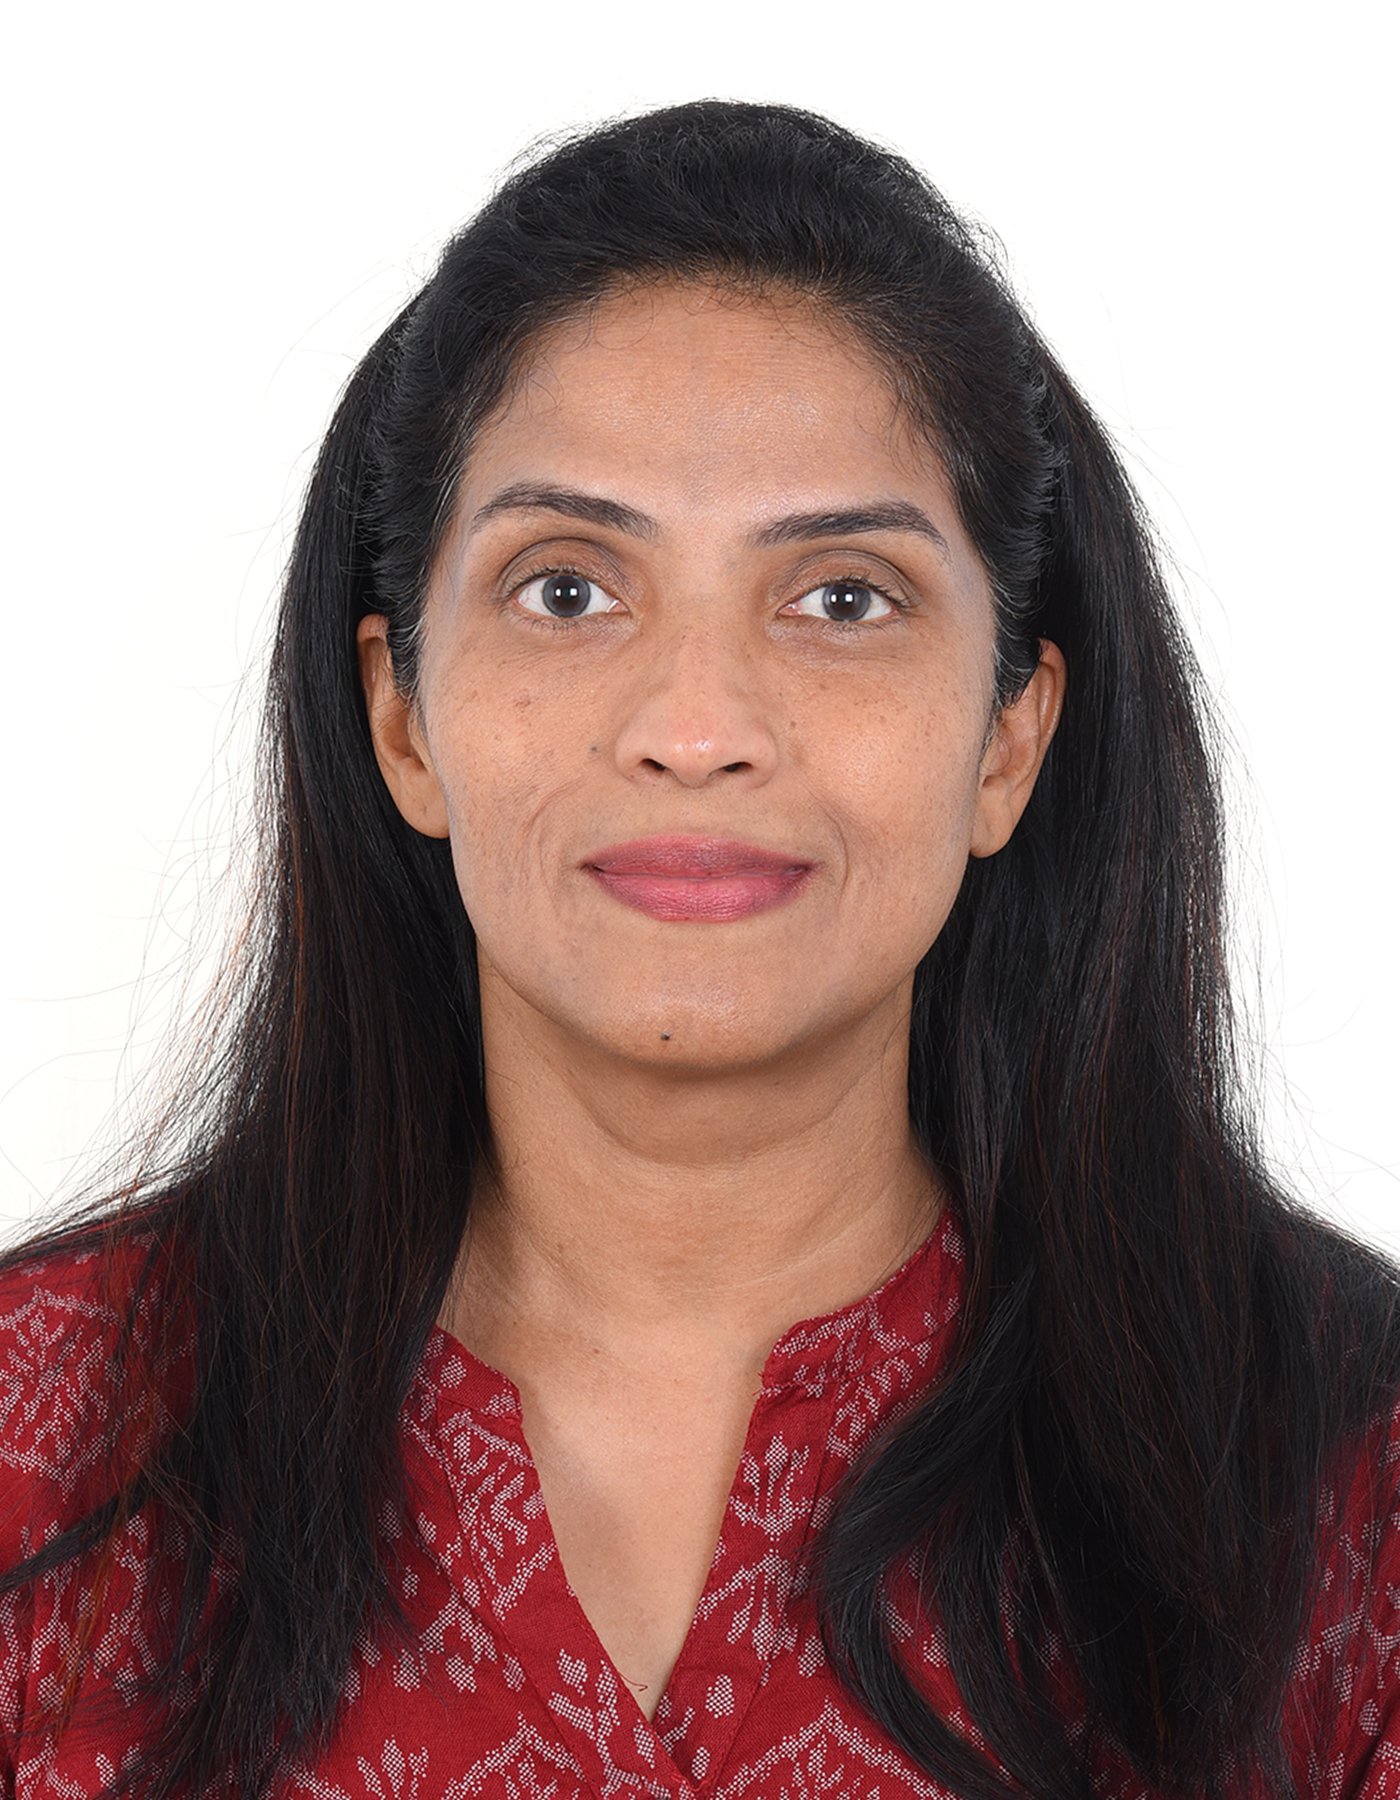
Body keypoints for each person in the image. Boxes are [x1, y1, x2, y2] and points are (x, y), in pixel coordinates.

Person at [2, 96, 1397, 1800]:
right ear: (402, 719)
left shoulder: (1348, 1473)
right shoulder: (43, 1441)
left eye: (841, 599)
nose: (697, 727)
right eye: (568, 589)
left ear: (1007, 741)